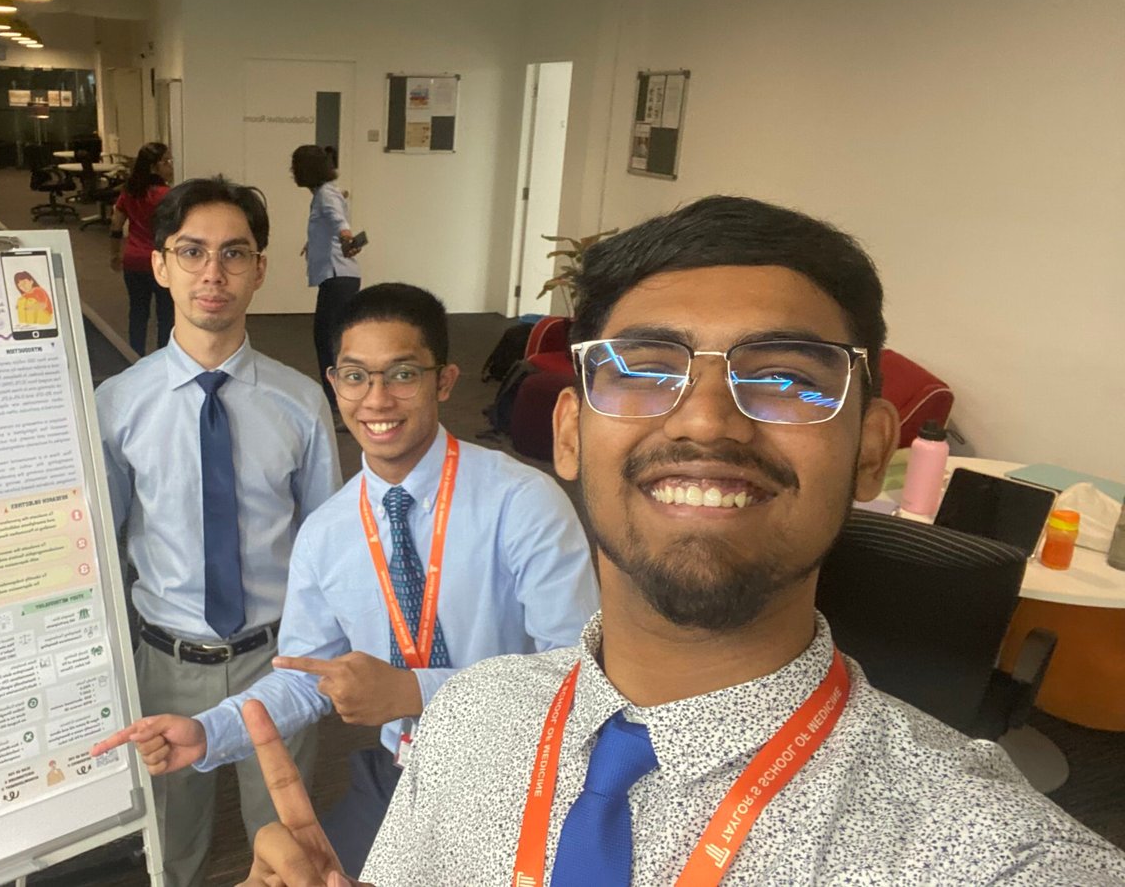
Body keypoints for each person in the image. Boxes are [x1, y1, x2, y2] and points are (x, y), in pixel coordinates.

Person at [234, 196, 1125, 886]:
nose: (705, 420)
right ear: (570, 434)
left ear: (870, 450)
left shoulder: (986, 852)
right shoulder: (470, 716)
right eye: (644, 369)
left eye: (784, 377)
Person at [92, 283, 599, 876]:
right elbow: (305, 677)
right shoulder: (328, 532)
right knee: (300, 875)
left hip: (522, 770)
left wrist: (414, 692)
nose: (376, 399)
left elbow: (579, 673)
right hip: (400, 773)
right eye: (356, 377)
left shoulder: (521, 503)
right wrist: (208, 732)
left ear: (444, 381)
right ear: (335, 385)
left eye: (402, 374)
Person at [95, 175, 342, 887]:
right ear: (159, 265)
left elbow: (326, 550)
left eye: (234, 254)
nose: (213, 273)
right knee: (171, 850)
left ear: (259, 270)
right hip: (165, 662)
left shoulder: (300, 403)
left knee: (287, 843)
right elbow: (104, 547)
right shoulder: (119, 404)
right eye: (192, 251)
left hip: (278, 661)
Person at [291, 144, 362, 416]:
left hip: (338, 277)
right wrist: (313, 243)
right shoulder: (325, 192)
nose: (292, 171)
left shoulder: (325, 194)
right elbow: (328, 223)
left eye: (295, 166)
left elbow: (336, 218)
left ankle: (339, 404)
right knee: (332, 341)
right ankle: (342, 401)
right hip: (340, 278)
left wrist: (346, 236)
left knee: (328, 342)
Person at [111, 142, 176, 354]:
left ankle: (134, 356)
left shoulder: (129, 192)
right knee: (166, 315)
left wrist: (115, 254)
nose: (170, 166)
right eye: (166, 162)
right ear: (153, 167)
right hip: (162, 263)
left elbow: (116, 225)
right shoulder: (168, 196)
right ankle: (163, 358)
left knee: (138, 313)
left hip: (134, 261)